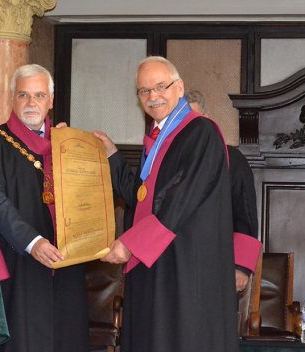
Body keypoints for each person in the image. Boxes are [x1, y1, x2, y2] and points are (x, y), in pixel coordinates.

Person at [93, 56, 238, 352]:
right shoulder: (158, 135)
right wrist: (111, 155)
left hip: (185, 267)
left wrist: (132, 244)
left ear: (179, 87)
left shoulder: (201, 132)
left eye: (161, 86)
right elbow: (142, 198)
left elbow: (179, 198)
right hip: (158, 263)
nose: (152, 96)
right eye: (144, 90)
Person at [0, 64, 89, 352]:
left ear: (51, 101)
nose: (32, 103)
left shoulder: (68, 145)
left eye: (39, 95)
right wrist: (33, 242)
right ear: (12, 99)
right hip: (19, 262)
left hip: (66, 263)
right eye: (23, 95)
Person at [185, 90, 262, 293]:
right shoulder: (167, 161)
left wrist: (241, 266)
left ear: (207, 120)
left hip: (218, 264)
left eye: (194, 120)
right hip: (177, 264)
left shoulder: (232, 159)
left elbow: (245, 214)